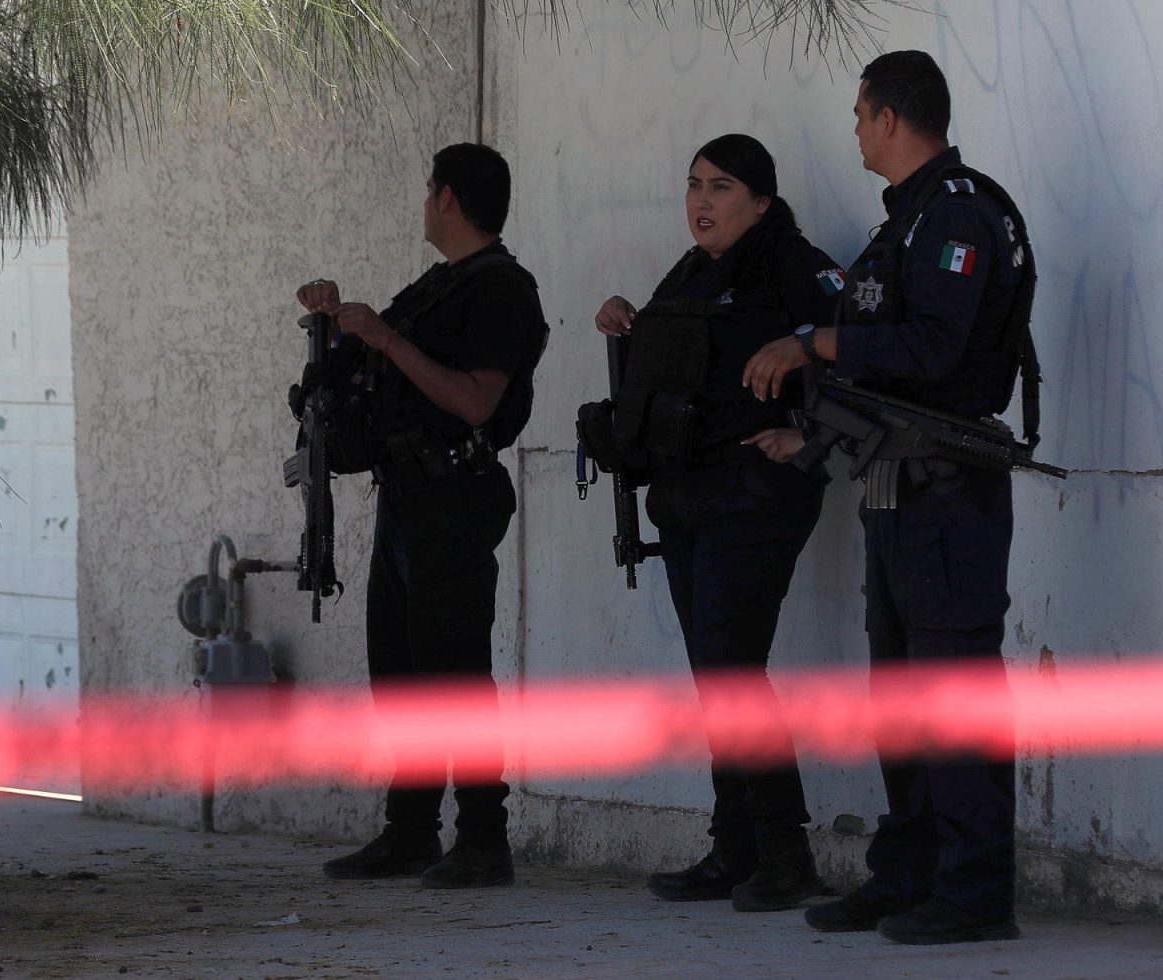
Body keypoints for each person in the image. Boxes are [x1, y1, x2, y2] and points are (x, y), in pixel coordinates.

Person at [744, 51, 1036, 944]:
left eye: (861, 113)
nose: (855, 129)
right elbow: (891, 373)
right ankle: (907, 875)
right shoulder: (905, 224)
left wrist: (814, 343)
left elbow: (935, 351)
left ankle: (976, 890)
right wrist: (816, 435)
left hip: (947, 495)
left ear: (891, 117)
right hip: (895, 485)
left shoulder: (954, 217)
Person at [592, 134, 845, 912]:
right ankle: (736, 847)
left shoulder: (796, 265)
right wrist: (625, 326)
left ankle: (784, 851)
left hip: (755, 496)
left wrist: (814, 439)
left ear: (762, 201)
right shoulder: (693, 270)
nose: (703, 200)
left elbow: (870, 353)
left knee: (734, 673)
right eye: (695, 184)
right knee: (716, 677)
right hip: (691, 496)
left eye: (723, 187)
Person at [301, 142, 548, 888]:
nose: (423, 201)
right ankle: (410, 831)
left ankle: (483, 840)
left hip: (453, 499)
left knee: (455, 675)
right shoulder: (444, 284)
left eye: (427, 189)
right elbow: (382, 364)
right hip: (406, 500)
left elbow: (476, 400)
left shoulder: (503, 288)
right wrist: (340, 321)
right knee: (402, 675)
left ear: (447, 198)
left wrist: (385, 337)